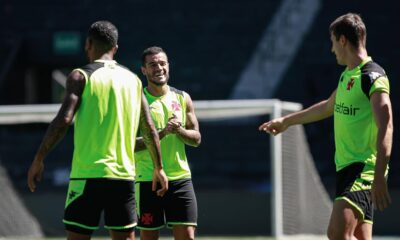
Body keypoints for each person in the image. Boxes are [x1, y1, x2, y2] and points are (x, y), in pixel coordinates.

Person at [27, 21, 168, 240]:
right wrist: (159, 167)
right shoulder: (133, 80)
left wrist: (39, 158)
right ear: (116, 48)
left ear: (88, 44)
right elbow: (149, 127)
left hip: (87, 176)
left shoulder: (80, 76)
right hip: (122, 176)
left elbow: (64, 120)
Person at [259, 13, 393, 240]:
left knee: (337, 233)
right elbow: (327, 107)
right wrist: (286, 121)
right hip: (346, 169)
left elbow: (386, 126)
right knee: (359, 236)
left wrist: (379, 175)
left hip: (364, 169)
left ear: (342, 40)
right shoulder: (347, 77)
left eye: (332, 42)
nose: (332, 49)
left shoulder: (373, 77)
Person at [134, 46, 201, 240]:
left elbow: (197, 139)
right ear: (143, 70)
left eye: (162, 63)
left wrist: (179, 130)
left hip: (180, 177)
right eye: (152, 64)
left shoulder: (182, 97)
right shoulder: (137, 101)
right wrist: (162, 133)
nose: (159, 68)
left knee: (187, 236)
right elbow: (129, 145)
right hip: (148, 178)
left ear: (168, 66)